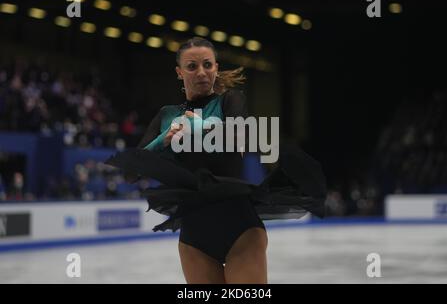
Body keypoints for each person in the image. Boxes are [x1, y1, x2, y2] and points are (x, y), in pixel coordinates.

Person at [105, 37, 326, 284]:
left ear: (216, 68)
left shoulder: (230, 101)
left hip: (240, 230)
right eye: (192, 66)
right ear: (179, 72)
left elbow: (238, 136)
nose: (201, 72)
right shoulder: (167, 116)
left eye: (207, 65)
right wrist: (162, 142)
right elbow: (130, 174)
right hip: (194, 240)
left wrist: (200, 127)